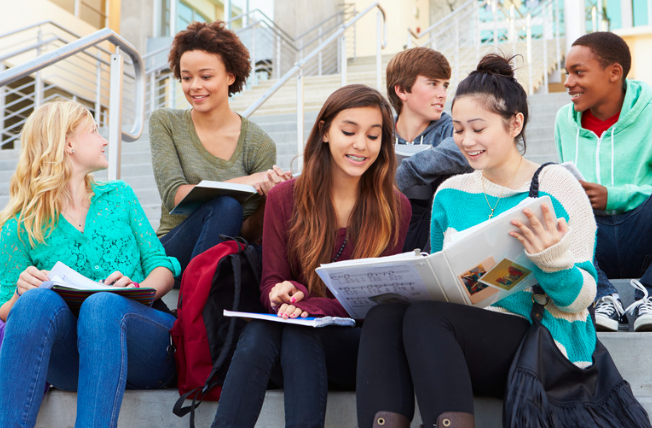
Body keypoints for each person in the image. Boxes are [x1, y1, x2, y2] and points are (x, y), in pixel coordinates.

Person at [356, 54, 598, 428]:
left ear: (514, 123)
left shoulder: (554, 187)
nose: (466, 141)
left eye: (478, 128)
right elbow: (443, 278)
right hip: (458, 335)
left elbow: (582, 297)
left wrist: (550, 259)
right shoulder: (450, 193)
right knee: (385, 316)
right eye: (458, 130)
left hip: (540, 342)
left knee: (427, 318)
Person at [211, 84, 411, 428]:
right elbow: (271, 281)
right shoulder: (284, 198)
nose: (361, 145)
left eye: (374, 136)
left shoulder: (396, 208)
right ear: (325, 132)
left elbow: (374, 304)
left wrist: (313, 307)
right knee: (269, 330)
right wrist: (279, 293)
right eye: (349, 131)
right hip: (290, 343)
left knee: (296, 329)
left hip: (356, 350)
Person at [0, 100, 180, 427]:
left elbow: (161, 263)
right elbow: (5, 309)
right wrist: (19, 293)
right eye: (95, 131)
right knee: (36, 299)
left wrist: (139, 288)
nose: (105, 140)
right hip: (74, 359)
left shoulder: (119, 196)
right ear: (68, 144)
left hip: (144, 344)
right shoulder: (19, 225)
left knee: (101, 305)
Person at [150, 20, 290, 275]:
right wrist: (247, 181)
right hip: (171, 250)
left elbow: (245, 230)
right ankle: (194, 301)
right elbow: (175, 196)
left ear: (230, 76)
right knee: (226, 204)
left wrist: (271, 198)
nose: (194, 86)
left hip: (223, 253)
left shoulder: (259, 143)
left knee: (230, 209)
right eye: (186, 77)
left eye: (206, 76)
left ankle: (201, 298)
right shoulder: (165, 123)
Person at [555, 31, 652, 332]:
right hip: (592, 241)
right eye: (567, 73)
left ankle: (647, 295)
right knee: (549, 199)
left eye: (578, 72)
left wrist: (614, 196)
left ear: (614, 72)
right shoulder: (563, 120)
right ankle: (603, 295)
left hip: (642, 230)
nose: (568, 82)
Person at [388, 47, 472, 252]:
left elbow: (458, 149)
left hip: (433, 235)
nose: (442, 94)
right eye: (433, 84)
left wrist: (399, 177)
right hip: (385, 225)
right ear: (401, 90)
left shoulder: (452, 128)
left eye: (445, 86)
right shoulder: (379, 131)